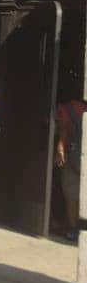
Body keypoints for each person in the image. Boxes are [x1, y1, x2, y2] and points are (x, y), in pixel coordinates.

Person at [56, 96, 85, 242]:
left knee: (71, 194)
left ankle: (74, 229)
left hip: (73, 157)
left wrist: (60, 147)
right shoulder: (81, 108)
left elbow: (65, 129)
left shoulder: (66, 107)